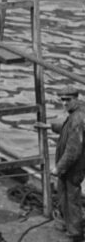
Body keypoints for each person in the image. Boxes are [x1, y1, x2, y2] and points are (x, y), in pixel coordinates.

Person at [51, 85, 85, 242]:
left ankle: (76, 233)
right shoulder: (75, 114)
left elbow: (73, 150)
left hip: (73, 168)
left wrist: (59, 167)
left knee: (72, 200)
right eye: (62, 100)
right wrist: (53, 127)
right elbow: (69, 131)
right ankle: (67, 224)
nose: (64, 103)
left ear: (75, 99)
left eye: (67, 100)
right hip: (68, 168)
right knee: (63, 196)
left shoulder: (77, 119)